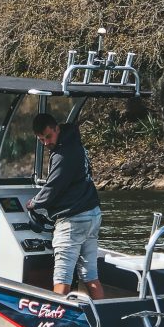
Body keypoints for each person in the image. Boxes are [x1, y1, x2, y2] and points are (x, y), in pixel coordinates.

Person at [25, 112, 105, 300]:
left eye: (48, 137)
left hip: (74, 221)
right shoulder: (76, 144)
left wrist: (34, 204)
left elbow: (53, 187)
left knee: (62, 277)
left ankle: (55, 324)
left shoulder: (63, 153)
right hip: (92, 216)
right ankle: (104, 320)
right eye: (41, 139)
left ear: (57, 129)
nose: (46, 143)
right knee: (90, 275)